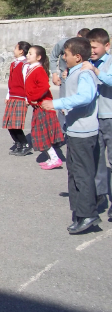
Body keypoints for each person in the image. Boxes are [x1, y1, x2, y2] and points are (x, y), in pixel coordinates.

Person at [41, 37, 101, 234]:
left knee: (83, 174)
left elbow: (85, 97)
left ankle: (88, 213)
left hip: (84, 133)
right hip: (75, 131)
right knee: (74, 173)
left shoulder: (84, 73)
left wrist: (57, 104)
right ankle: (79, 213)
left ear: (77, 56)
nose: (63, 58)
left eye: (65, 54)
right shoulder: (75, 71)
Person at [82, 28, 112, 217]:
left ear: (106, 46)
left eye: (94, 47)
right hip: (94, 118)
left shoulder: (106, 63)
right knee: (97, 159)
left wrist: (95, 70)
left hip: (109, 116)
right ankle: (100, 194)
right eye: (89, 47)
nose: (91, 51)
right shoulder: (88, 63)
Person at [25, 45, 65, 170]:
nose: (27, 55)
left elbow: (43, 87)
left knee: (41, 133)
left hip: (43, 106)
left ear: (38, 57)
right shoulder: (32, 68)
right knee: (41, 133)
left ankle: (54, 158)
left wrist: (33, 99)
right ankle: (51, 157)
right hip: (38, 106)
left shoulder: (39, 70)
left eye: (30, 53)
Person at [50, 28, 91, 125]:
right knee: (63, 105)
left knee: (75, 104)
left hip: (78, 75)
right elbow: (53, 56)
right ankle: (61, 133)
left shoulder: (86, 48)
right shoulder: (64, 43)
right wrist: (54, 74)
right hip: (65, 78)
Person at [3, 42, 32, 156]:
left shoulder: (25, 64)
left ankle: (24, 144)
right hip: (13, 96)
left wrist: (27, 97)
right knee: (9, 123)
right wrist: (8, 95)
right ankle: (18, 143)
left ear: (21, 51)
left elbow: (26, 81)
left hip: (20, 97)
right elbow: (11, 82)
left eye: (16, 48)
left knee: (16, 124)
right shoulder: (14, 63)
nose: (14, 50)